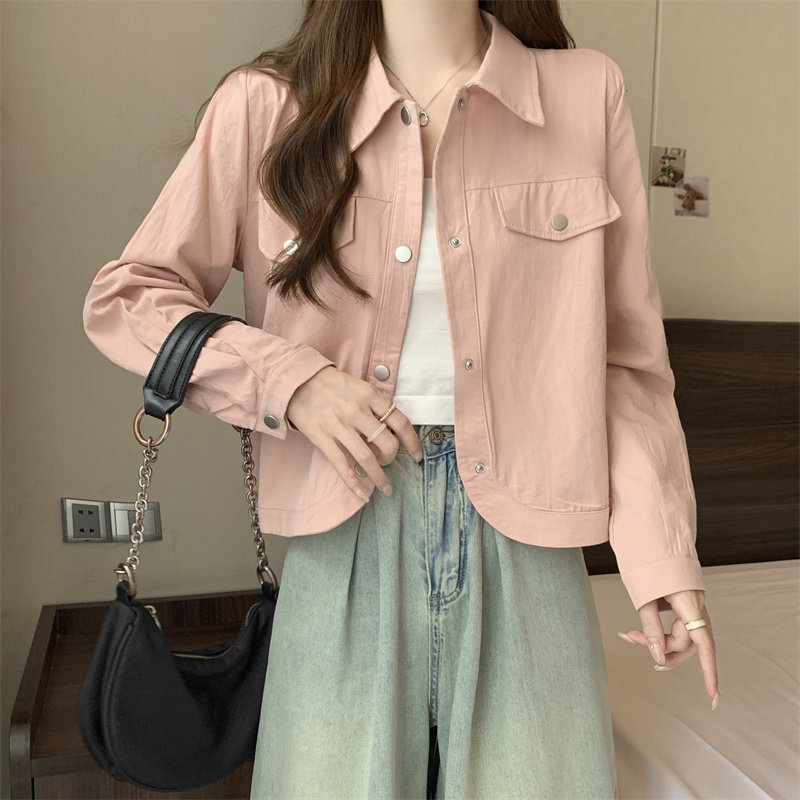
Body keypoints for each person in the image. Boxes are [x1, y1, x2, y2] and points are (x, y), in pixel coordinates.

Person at [83, 1, 720, 797]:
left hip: (532, 536)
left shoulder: (587, 93)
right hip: (343, 524)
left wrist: (661, 555)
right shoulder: (265, 104)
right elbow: (130, 298)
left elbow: (623, 361)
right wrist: (293, 382)